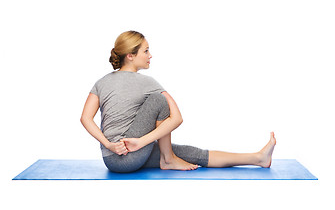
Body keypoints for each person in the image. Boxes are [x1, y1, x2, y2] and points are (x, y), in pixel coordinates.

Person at [80, 30, 276, 173]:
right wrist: (140, 143)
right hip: (131, 155)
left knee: (190, 154)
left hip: (112, 160)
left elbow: (85, 119)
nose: (150, 56)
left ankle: (258, 158)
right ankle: (168, 159)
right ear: (130, 56)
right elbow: (177, 118)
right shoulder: (147, 83)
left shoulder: (101, 82)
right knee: (159, 100)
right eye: (146, 51)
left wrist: (110, 145)